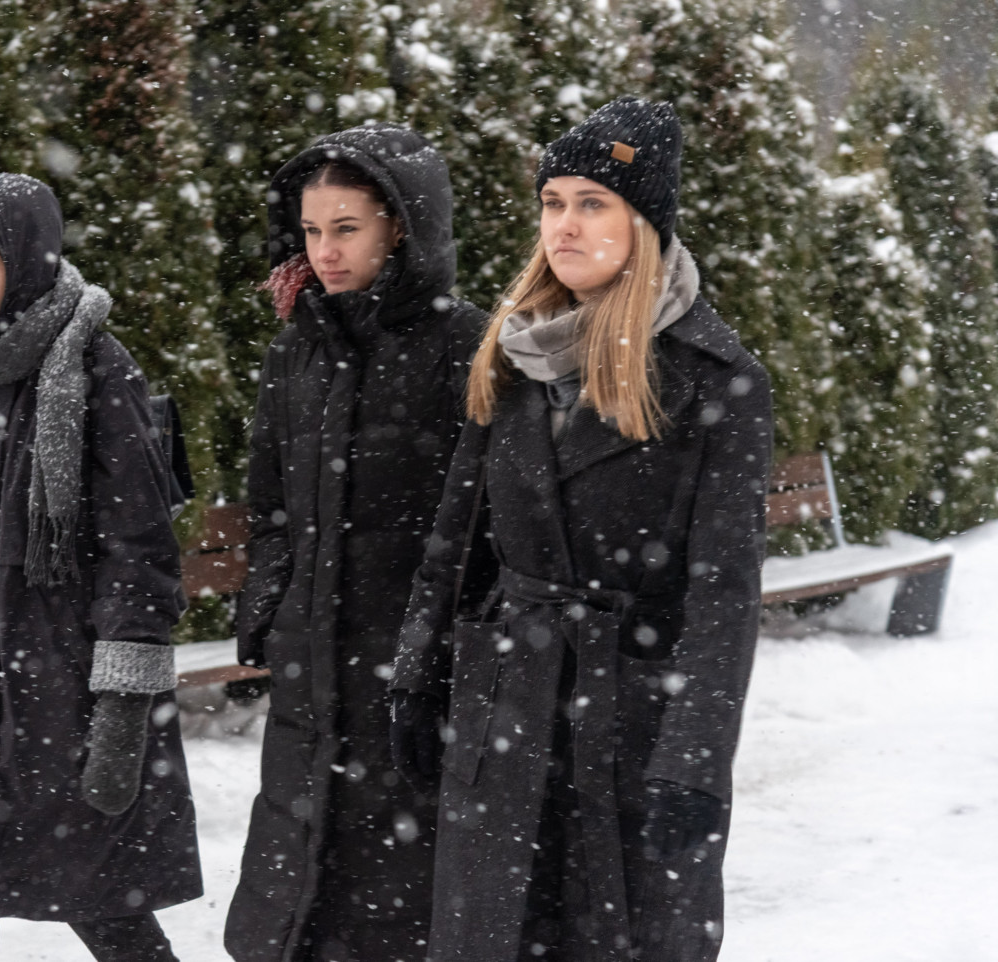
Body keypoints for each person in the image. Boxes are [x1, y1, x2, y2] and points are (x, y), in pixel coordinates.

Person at [389, 96, 773, 962]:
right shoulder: (514, 351)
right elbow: (456, 542)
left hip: (630, 722)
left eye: (593, 204)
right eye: (553, 202)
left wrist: (695, 761)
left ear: (644, 223)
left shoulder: (719, 380)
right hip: (505, 711)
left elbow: (725, 592)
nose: (564, 225)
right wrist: (418, 675)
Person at [0, 173, 201, 962]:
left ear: (29, 257)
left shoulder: (98, 369)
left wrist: (123, 704)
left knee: (106, 904)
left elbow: (140, 546)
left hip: (62, 687)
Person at [224, 125, 487, 962]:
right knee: (292, 903)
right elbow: (270, 501)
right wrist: (272, 604)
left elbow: (483, 522)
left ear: (400, 227)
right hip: (310, 673)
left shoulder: (466, 347)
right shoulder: (296, 349)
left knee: (399, 906)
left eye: (346, 229)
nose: (324, 252)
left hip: (412, 674)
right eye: (311, 231)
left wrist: (437, 649)